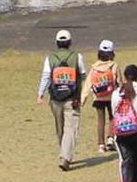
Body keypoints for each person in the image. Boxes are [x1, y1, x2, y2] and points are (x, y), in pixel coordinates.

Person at [36, 29, 87, 171]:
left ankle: (64, 154)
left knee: (60, 128)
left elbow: (46, 77)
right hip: (73, 98)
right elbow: (83, 76)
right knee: (71, 128)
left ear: (57, 43)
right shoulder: (77, 57)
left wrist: (40, 94)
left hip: (55, 98)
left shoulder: (50, 58)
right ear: (70, 42)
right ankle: (65, 156)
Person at [85, 40, 119, 152]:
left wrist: (83, 98)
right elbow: (120, 81)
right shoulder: (114, 65)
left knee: (100, 120)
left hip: (98, 97)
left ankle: (101, 144)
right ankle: (110, 138)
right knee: (113, 117)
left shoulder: (94, 67)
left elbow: (88, 83)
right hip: (111, 96)